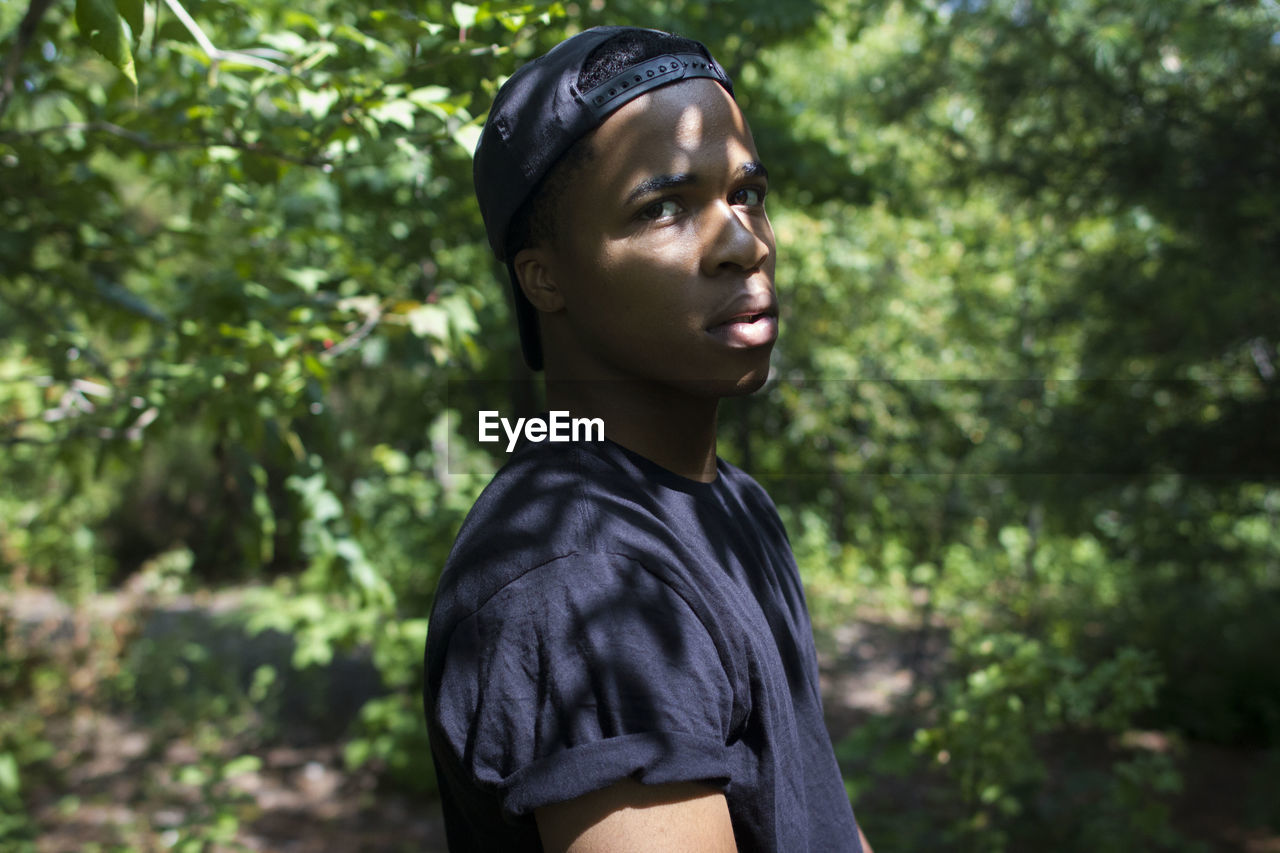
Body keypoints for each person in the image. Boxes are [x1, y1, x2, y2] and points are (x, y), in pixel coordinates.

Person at [423, 26, 872, 852]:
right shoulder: (584, 583)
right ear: (544, 276)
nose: (747, 241)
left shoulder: (734, 502)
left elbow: (818, 817)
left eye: (747, 192)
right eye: (663, 206)